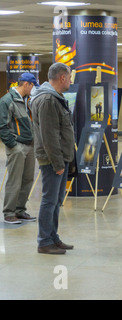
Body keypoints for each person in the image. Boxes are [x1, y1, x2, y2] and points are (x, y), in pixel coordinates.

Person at [31, 62, 75, 255]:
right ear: (62, 77)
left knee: (56, 201)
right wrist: (58, 163)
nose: (71, 80)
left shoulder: (54, 98)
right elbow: (49, 136)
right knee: (49, 201)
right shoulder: (48, 100)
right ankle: (44, 241)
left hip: (59, 158)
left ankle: (53, 237)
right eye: (70, 76)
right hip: (52, 160)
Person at [0, 73, 38, 224]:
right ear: (26, 84)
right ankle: (9, 212)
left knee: (27, 179)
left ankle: (20, 210)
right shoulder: (7, 100)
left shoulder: (27, 101)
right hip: (17, 146)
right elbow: (2, 126)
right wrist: (13, 146)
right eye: (33, 86)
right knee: (15, 180)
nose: (33, 89)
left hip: (30, 146)